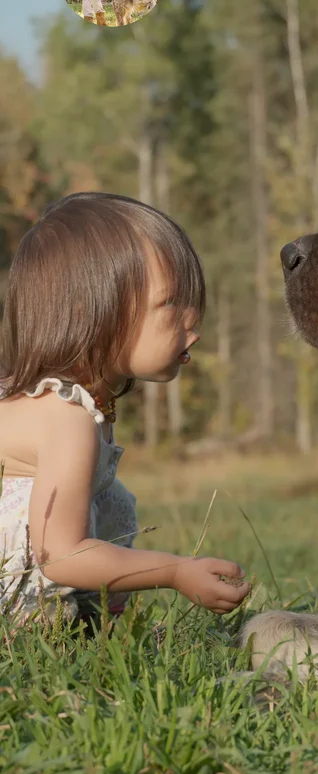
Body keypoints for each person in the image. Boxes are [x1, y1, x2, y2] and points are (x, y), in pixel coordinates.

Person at [0, 192, 251, 626]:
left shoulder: (89, 405)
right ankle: (42, 626)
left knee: (109, 499)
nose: (192, 319)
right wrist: (172, 571)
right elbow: (58, 554)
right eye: (170, 302)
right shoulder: (65, 416)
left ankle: (89, 623)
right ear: (90, 312)